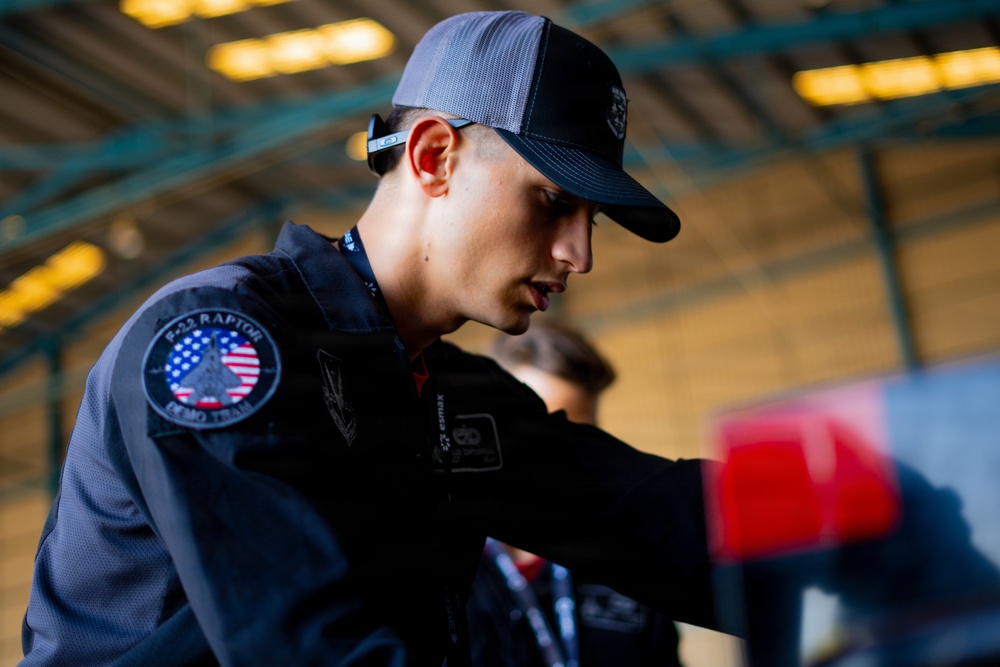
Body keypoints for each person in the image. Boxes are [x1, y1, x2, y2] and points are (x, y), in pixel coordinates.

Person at [20, 11, 726, 666]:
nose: (580, 253)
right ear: (433, 156)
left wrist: (827, 486)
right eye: (553, 200)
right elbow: (303, 645)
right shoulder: (219, 338)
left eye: (591, 220)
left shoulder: (443, 394)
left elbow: (653, 518)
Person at [467, 321, 685, 667]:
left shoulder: (628, 566)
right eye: (542, 433)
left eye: (582, 440)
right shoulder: (439, 568)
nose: (560, 461)